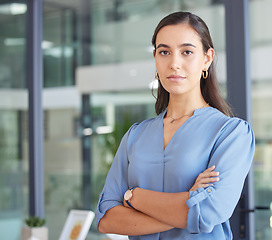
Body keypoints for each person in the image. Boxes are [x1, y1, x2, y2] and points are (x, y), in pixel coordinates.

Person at [96, 11, 255, 239]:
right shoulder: (135, 135)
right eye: (164, 52)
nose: (174, 63)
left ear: (207, 59)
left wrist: (136, 198)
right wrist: (188, 200)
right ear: (155, 58)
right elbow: (107, 219)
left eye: (187, 52)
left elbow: (207, 214)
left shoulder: (231, 133)